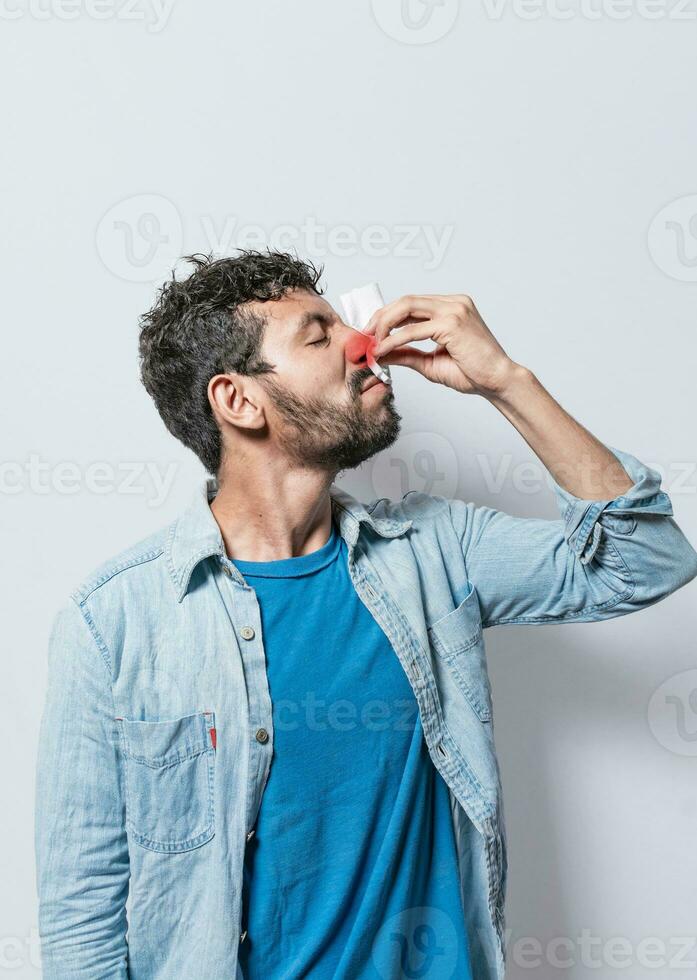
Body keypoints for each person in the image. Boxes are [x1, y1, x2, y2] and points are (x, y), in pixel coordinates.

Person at [34, 250, 697, 980]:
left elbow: (645, 559)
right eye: (317, 336)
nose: (361, 344)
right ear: (238, 401)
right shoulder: (115, 622)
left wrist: (507, 383)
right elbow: (81, 918)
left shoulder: (433, 551)